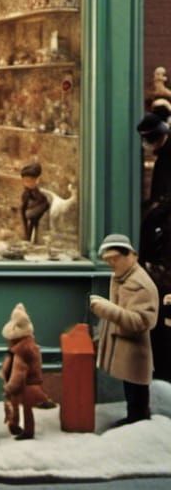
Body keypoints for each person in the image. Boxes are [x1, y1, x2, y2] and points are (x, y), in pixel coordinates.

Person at [89, 233, 159, 428]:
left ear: (131, 255)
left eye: (115, 259)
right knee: (130, 384)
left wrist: (107, 310)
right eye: (108, 260)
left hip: (135, 349)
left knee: (137, 386)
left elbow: (143, 321)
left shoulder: (140, 285)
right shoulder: (122, 277)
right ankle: (134, 418)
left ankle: (138, 422)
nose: (112, 264)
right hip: (124, 345)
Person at [136, 111, 171, 381]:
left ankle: (162, 363)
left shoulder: (166, 159)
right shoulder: (163, 156)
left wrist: (150, 216)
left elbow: (163, 200)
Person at [0, 303, 46, 440]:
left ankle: (25, 430)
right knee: (23, 407)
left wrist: (9, 387)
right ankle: (17, 426)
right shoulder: (31, 346)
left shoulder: (21, 351)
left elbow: (19, 372)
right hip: (30, 383)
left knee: (24, 407)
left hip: (25, 385)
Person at [19, 163, 49, 245]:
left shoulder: (41, 194)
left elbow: (45, 205)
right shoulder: (26, 193)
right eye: (24, 181)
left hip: (40, 218)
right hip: (30, 218)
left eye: (28, 181)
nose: (26, 184)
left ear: (37, 180)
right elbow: (23, 209)